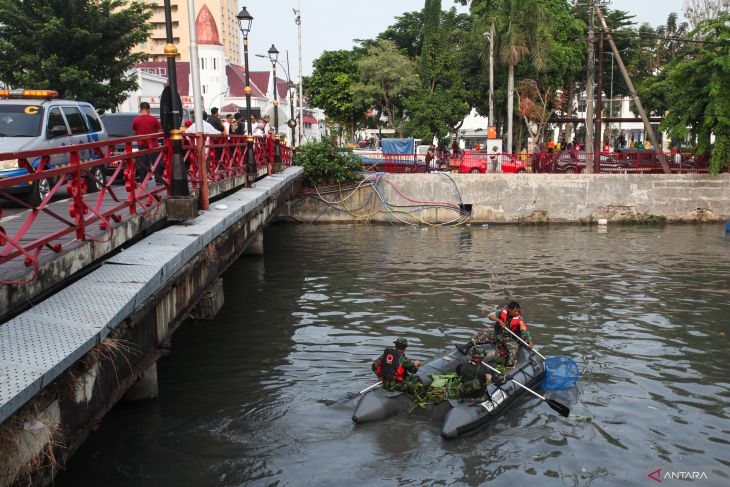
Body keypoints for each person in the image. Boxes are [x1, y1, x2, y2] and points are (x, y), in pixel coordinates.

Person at [456, 301, 533, 367]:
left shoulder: (519, 319)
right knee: (481, 335)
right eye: (515, 311)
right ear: (510, 310)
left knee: (514, 348)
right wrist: (499, 320)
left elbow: (524, 330)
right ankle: (466, 347)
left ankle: (509, 365)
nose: (517, 313)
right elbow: (490, 316)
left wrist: (529, 341)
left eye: (518, 311)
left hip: (509, 338)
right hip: (498, 334)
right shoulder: (502, 312)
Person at [132, 101, 163, 183]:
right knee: (156, 162)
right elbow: (159, 131)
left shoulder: (136, 120)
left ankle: (144, 181)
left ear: (140, 109)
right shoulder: (154, 119)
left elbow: (135, 132)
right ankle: (159, 180)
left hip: (141, 144)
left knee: (142, 163)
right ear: (149, 109)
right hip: (153, 144)